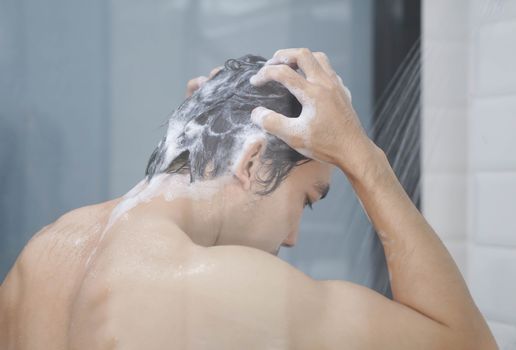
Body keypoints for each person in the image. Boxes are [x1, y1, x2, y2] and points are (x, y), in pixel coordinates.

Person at [0, 49, 497, 350]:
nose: (292, 237)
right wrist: (362, 158)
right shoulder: (213, 285)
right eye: (307, 200)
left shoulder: (43, 254)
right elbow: (468, 344)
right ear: (254, 161)